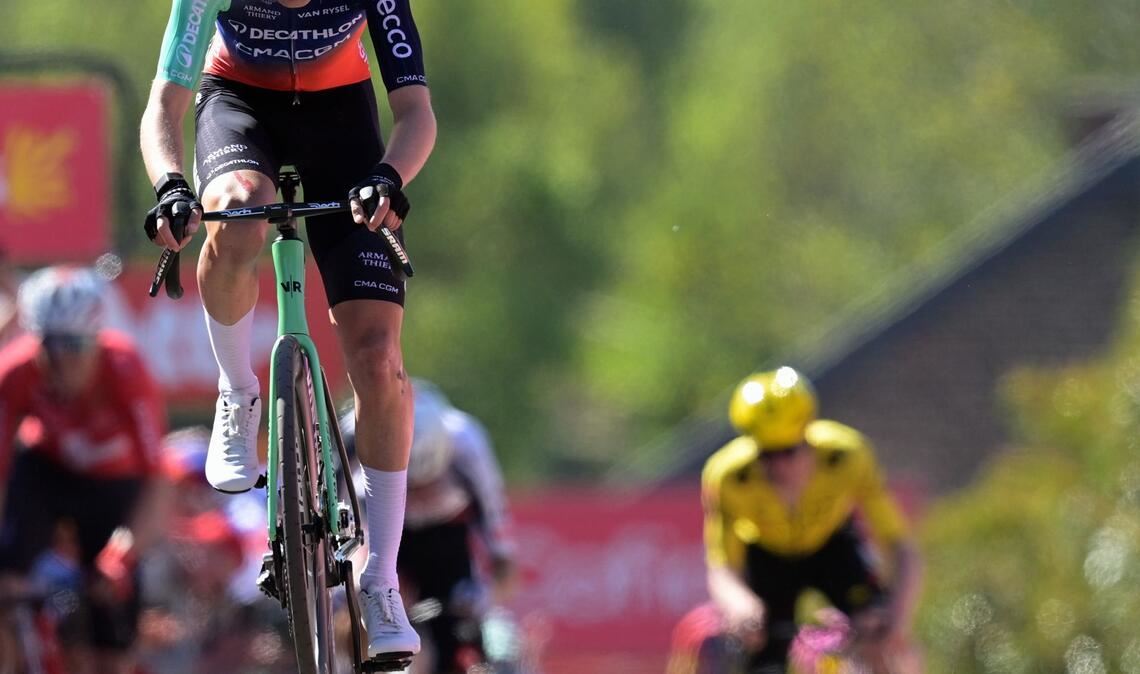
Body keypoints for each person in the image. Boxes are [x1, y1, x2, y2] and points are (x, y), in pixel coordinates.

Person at [139, 0, 437, 659]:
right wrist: (170, 185)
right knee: (236, 215)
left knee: (379, 357)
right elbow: (164, 103)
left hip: (342, 122)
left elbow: (416, 112)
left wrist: (389, 177)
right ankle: (237, 391)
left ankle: (381, 579)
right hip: (238, 105)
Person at [0, 266, 170, 674]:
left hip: (114, 486)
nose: (63, 361)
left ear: (96, 337)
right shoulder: (16, 371)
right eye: (51, 345)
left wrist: (123, 555)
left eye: (75, 345)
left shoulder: (126, 368)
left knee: (111, 613)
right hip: (48, 472)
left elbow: (159, 479)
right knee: (7, 578)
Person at [701, 367, 923, 673]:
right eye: (766, 455)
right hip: (767, 557)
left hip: (833, 547)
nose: (779, 466)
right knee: (757, 645)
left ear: (809, 435)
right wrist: (740, 604)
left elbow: (900, 546)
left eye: (789, 451)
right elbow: (722, 566)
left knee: (877, 631)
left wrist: (897, 620)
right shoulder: (728, 477)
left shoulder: (846, 456)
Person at [340, 380, 516, 674]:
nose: (418, 495)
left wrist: (484, 597)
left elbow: (500, 543)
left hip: (446, 535)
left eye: (429, 482)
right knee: (355, 606)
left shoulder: (468, 442)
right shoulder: (352, 433)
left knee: (456, 636)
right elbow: (333, 525)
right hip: (379, 526)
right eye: (410, 487)